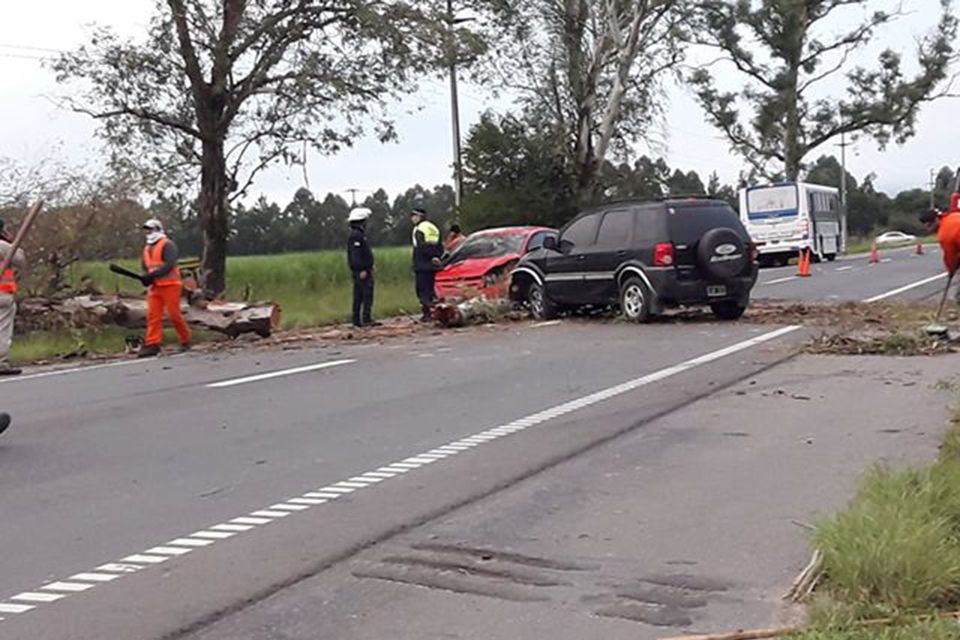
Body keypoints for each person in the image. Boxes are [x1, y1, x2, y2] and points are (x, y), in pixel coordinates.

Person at [138, 219, 192, 358]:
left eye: (149, 229)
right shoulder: (146, 248)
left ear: (157, 229)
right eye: (146, 230)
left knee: (173, 315)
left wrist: (153, 275)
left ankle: (185, 339)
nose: (147, 233)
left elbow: (169, 264)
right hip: (155, 287)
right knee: (153, 316)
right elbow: (146, 268)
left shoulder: (167, 244)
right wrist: (145, 278)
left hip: (171, 285)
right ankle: (152, 344)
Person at [346, 207, 380, 328]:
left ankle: (358, 320)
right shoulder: (356, 236)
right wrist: (362, 269)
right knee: (365, 295)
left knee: (360, 295)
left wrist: (370, 265)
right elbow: (356, 255)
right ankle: (365, 319)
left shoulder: (359, 235)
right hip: (361, 271)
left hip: (364, 269)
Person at [0, 219, 25, 376]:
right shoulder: (1, 246)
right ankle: (0, 362)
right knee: (2, 328)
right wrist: (10, 243)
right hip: (1, 294)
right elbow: (20, 259)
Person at [410, 207, 444, 322]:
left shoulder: (418, 229)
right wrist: (436, 257)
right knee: (430, 289)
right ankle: (435, 313)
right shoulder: (433, 228)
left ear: (420, 217)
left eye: (414, 216)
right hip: (433, 265)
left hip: (422, 264)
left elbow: (421, 246)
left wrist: (429, 257)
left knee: (422, 290)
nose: (412, 218)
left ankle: (427, 314)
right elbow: (440, 245)